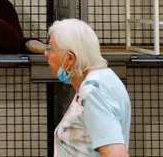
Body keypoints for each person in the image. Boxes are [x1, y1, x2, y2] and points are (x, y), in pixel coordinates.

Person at [45, 19, 131, 157]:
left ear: (70, 59)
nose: (46, 54)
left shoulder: (93, 91)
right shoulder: (104, 78)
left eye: (50, 49)